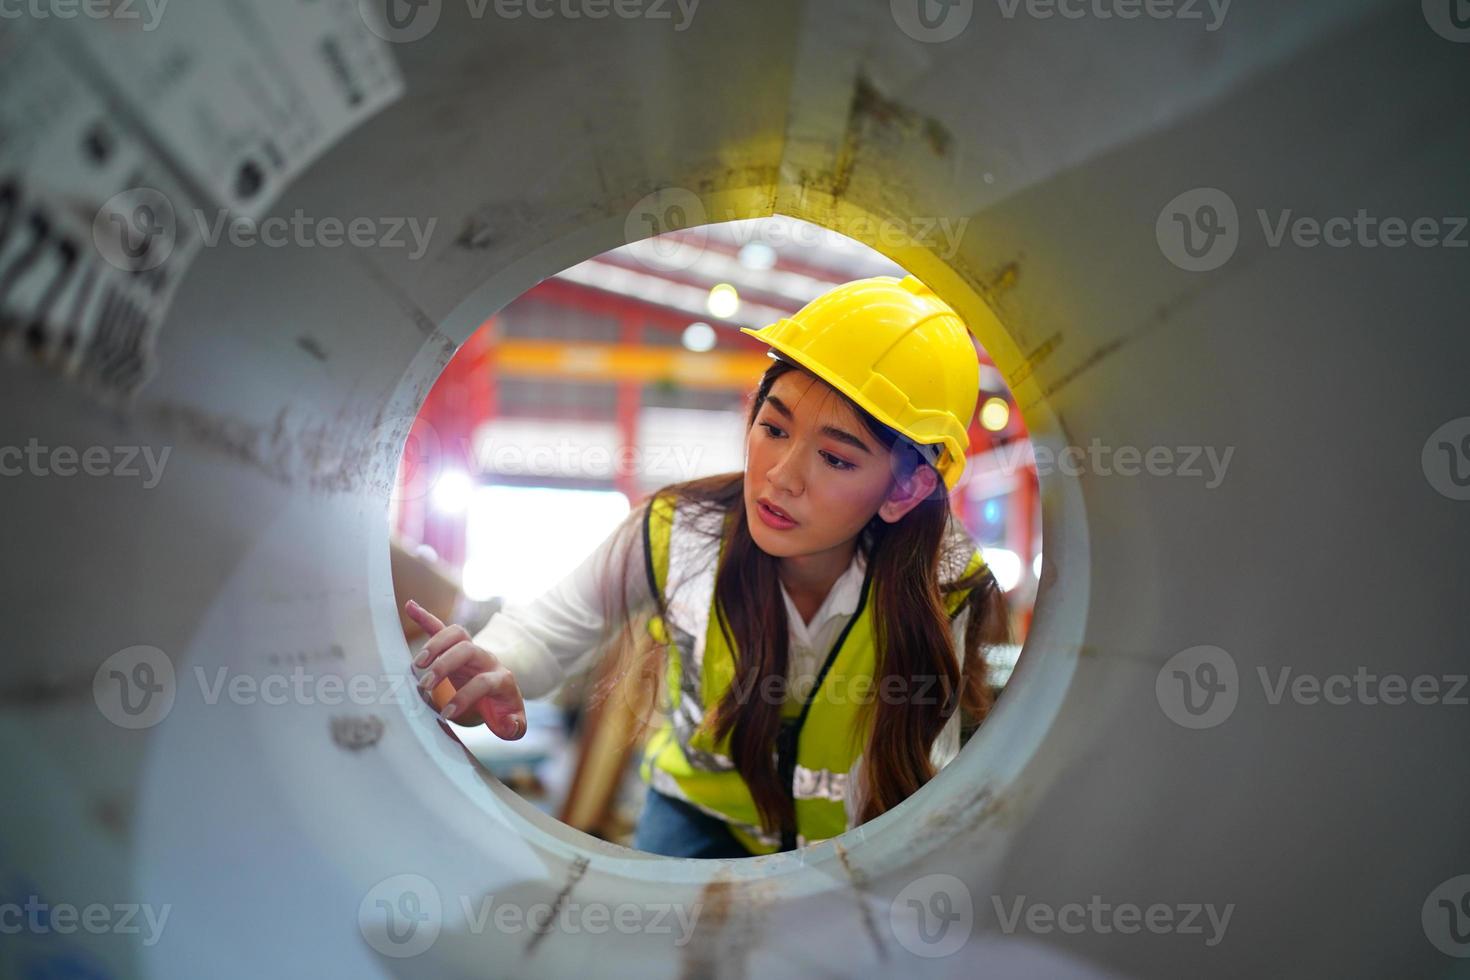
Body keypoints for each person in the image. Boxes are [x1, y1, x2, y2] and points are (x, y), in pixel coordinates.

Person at [404, 274, 1010, 859]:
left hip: (853, 835)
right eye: (773, 427)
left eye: (834, 458)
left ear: (906, 489)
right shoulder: (678, 530)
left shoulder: (947, 580)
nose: (781, 475)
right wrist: (498, 665)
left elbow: (930, 770)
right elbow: (549, 628)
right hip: (695, 814)